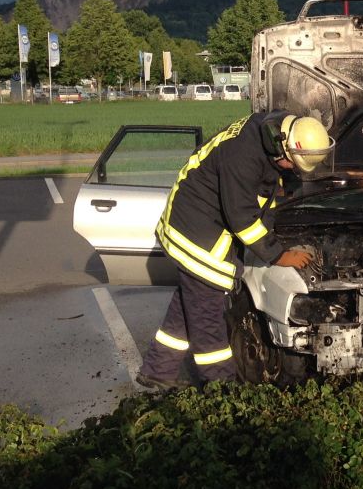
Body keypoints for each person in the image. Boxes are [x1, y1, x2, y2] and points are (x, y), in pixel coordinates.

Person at [136, 111, 334, 389]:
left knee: (187, 305)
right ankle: (220, 386)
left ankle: (156, 371)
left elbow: (265, 193)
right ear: (282, 147)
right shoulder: (243, 158)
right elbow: (242, 219)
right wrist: (279, 255)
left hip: (194, 218)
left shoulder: (276, 128)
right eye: (292, 164)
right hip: (197, 233)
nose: (292, 169)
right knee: (207, 319)